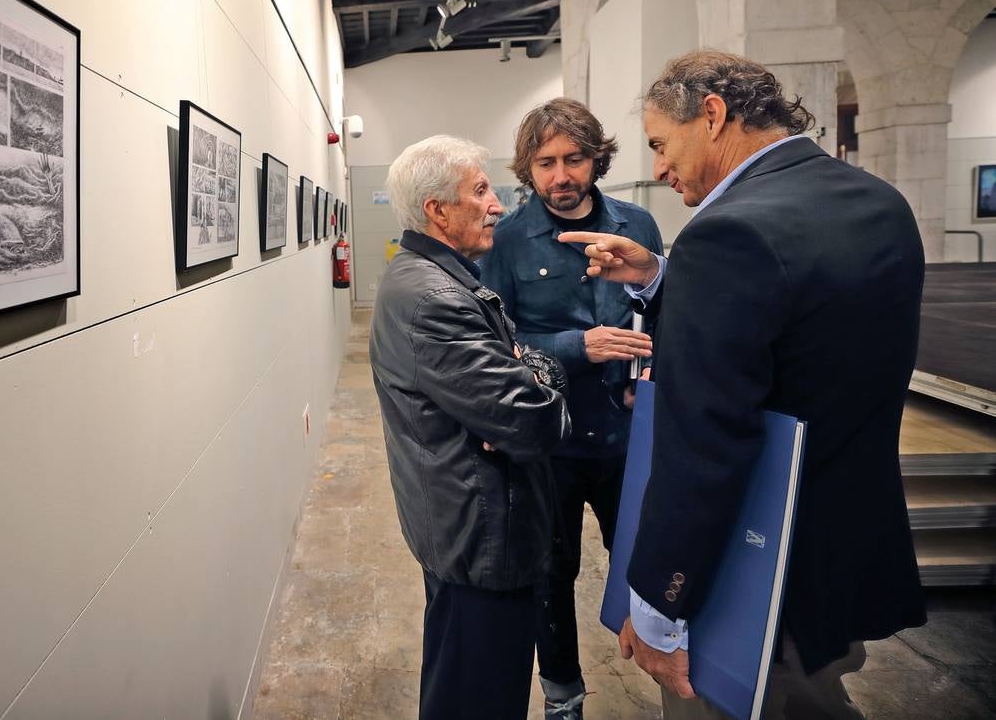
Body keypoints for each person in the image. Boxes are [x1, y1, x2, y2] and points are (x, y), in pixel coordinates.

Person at [560, 50, 925, 719]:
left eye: (661, 145)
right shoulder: (878, 203)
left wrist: (661, 609)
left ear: (714, 114)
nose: (660, 168)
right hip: (842, 555)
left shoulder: (726, 234)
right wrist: (665, 280)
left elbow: (705, 442)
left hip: (750, 577)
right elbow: (802, 338)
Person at [370, 135, 572, 720]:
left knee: (463, 682)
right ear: (437, 210)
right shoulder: (435, 297)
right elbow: (534, 425)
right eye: (480, 191)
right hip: (482, 534)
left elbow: (518, 389)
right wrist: (544, 385)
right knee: (479, 697)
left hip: (465, 522)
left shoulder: (434, 277)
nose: (498, 205)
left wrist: (526, 371)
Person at [480, 99, 662, 719]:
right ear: (528, 170)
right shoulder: (504, 238)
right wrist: (575, 347)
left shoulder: (638, 225)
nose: (562, 176)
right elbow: (492, 342)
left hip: (629, 435)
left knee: (644, 562)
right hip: (548, 443)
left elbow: (660, 314)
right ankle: (564, 697)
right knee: (550, 576)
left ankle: (667, 668)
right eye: (547, 162)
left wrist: (647, 370)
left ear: (596, 159)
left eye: (574, 159)